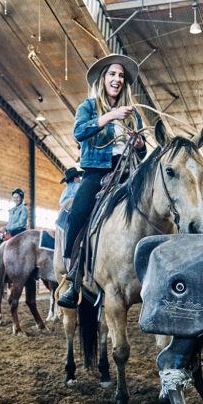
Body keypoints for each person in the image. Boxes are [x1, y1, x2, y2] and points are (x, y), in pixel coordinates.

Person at [58, 54, 147, 309]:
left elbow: (142, 152)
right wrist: (111, 116)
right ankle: (73, 276)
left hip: (128, 172)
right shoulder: (88, 107)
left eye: (121, 76)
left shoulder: (133, 114)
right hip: (97, 172)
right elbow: (79, 132)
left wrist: (139, 144)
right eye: (112, 74)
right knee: (78, 213)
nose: (117, 79)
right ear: (103, 79)